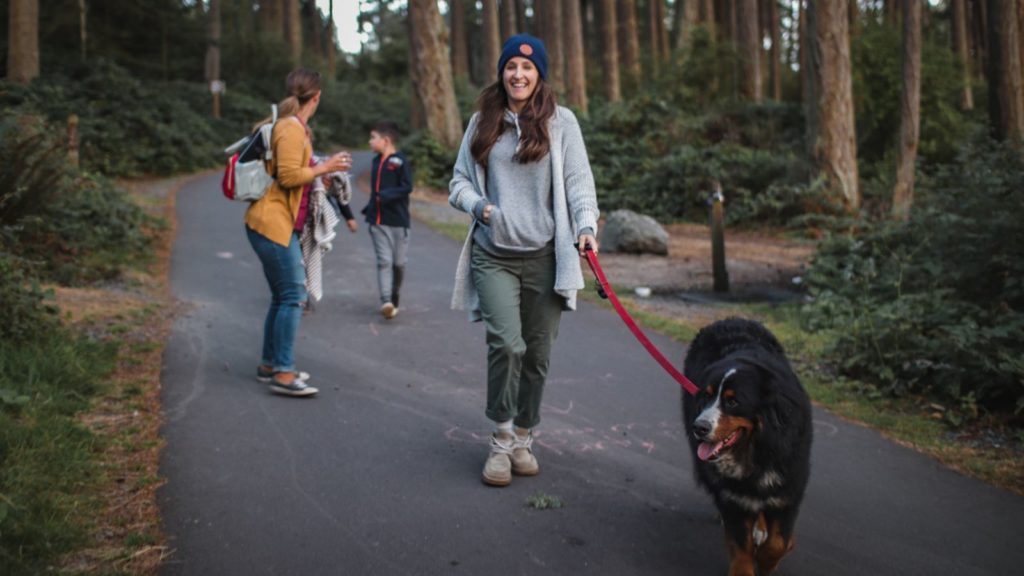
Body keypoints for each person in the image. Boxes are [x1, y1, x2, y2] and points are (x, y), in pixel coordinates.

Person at [448, 35, 600, 486]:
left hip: (546, 258)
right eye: (511, 65)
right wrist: (482, 208)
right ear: (502, 72)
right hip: (493, 254)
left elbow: (578, 183)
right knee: (507, 345)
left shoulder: (562, 123)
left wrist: (586, 226)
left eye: (527, 67)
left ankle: (524, 437)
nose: (518, 74)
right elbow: (458, 183)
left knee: (537, 355)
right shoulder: (483, 121)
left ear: (540, 75)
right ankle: (499, 439)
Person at [245, 68, 352, 397]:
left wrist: (321, 176)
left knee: (282, 297)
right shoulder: (291, 128)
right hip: (271, 224)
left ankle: (269, 364)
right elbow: (290, 177)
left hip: (278, 223)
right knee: (294, 296)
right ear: (316, 97)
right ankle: (284, 373)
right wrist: (325, 167)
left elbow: (292, 174)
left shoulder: (293, 127)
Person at [362, 121, 413, 320]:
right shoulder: (375, 161)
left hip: (398, 221)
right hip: (377, 221)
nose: (370, 142)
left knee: (398, 264)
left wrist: (385, 195)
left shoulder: (400, 161)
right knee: (384, 261)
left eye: (373, 137)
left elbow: (407, 187)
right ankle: (386, 301)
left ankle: (394, 296)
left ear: (386, 140)